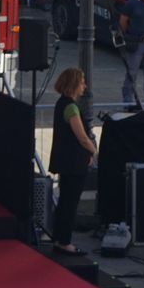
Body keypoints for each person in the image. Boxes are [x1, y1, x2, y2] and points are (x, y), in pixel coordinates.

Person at [48, 67, 98, 253]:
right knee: (70, 202)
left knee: (64, 201)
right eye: (82, 83)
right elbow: (82, 137)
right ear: (74, 84)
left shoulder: (61, 104)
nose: (84, 86)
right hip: (74, 163)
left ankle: (59, 238)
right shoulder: (71, 107)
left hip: (65, 161)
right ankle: (65, 241)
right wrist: (93, 151)